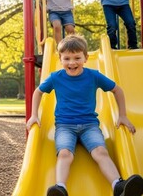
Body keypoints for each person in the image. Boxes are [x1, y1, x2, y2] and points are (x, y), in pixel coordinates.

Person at [26, 34, 143, 196]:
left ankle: (119, 186)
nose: (72, 62)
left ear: (85, 58)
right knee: (65, 154)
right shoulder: (55, 77)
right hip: (65, 126)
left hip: (89, 125)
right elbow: (38, 92)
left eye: (77, 57)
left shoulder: (93, 75)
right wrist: (34, 115)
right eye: (66, 58)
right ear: (60, 59)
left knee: (100, 152)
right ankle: (60, 188)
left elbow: (117, 90)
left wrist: (122, 115)